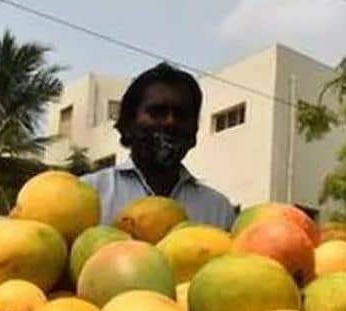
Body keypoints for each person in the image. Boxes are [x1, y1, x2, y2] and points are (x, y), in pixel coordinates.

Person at [82, 62, 237, 229]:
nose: (171, 122)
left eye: (182, 115)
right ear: (128, 124)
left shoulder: (218, 211)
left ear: (194, 132)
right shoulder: (90, 194)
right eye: (157, 112)